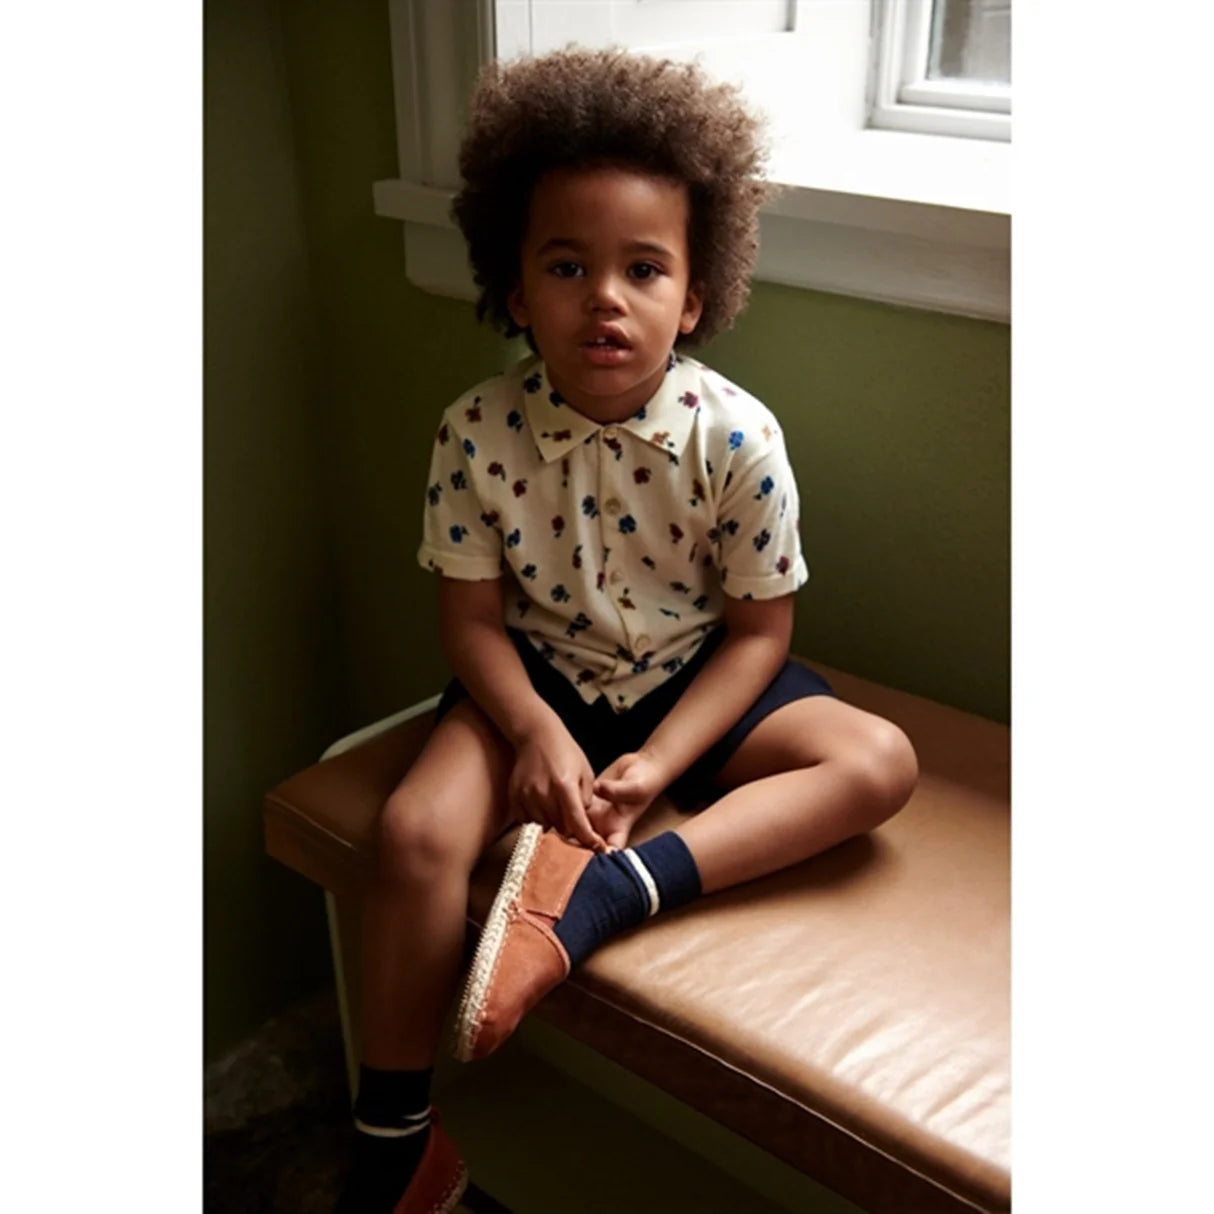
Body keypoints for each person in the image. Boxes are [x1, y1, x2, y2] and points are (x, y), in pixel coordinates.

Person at [336, 47, 919, 1214]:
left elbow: (757, 634)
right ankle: (393, 1136)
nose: (604, 296)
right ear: (515, 288)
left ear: (693, 297)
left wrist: (657, 762)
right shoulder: (472, 431)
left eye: (642, 268)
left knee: (877, 761)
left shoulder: (737, 438)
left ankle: (612, 888)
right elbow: (470, 621)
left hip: (692, 677)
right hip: (533, 678)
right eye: (567, 265)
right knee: (412, 832)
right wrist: (534, 730)